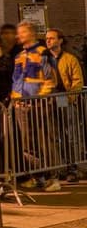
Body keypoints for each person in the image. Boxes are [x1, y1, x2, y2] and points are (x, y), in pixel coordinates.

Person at [11, 21, 60, 191]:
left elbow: (51, 79)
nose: (20, 36)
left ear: (31, 33)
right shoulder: (19, 56)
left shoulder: (43, 53)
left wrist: (40, 98)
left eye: (23, 32)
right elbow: (16, 81)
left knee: (44, 140)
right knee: (27, 143)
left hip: (39, 105)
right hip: (22, 105)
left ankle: (52, 177)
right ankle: (37, 176)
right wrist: (16, 99)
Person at [44, 28, 83, 183]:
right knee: (54, 135)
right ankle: (59, 167)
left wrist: (70, 99)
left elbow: (77, 82)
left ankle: (73, 168)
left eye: (52, 38)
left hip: (63, 97)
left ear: (60, 40)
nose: (48, 41)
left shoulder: (69, 59)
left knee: (70, 134)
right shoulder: (44, 60)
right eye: (47, 38)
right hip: (48, 100)